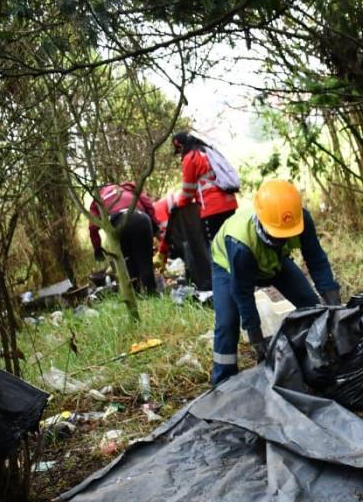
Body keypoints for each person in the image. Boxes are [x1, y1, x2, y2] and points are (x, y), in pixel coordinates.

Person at [209, 179, 341, 385]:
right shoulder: (240, 243)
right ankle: (223, 382)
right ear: (261, 222)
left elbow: (316, 259)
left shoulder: (300, 220)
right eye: (277, 236)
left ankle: (317, 360)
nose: (282, 239)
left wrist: (332, 301)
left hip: (275, 261)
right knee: (227, 322)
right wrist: (256, 337)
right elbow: (242, 292)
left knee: (311, 307)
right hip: (228, 267)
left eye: (286, 236)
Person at [170, 132, 239, 291]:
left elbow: (188, 190)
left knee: (217, 250)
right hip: (230, 203)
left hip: (212, 209)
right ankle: (241, 278)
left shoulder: (190, 158)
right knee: (233, 244)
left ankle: (226, 287)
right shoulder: (208, 151)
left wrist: (179, 204)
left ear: (179, 145)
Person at [89, 182, 159, 294]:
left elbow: (93, 226)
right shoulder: (126, 187)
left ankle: (136, 296)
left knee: (129, 263)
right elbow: (147, 203)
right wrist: (154, 224)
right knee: (145, 261)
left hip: (118, 225)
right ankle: (152, 294)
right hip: (141, 219)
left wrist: (97, 248)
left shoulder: (97, 199)